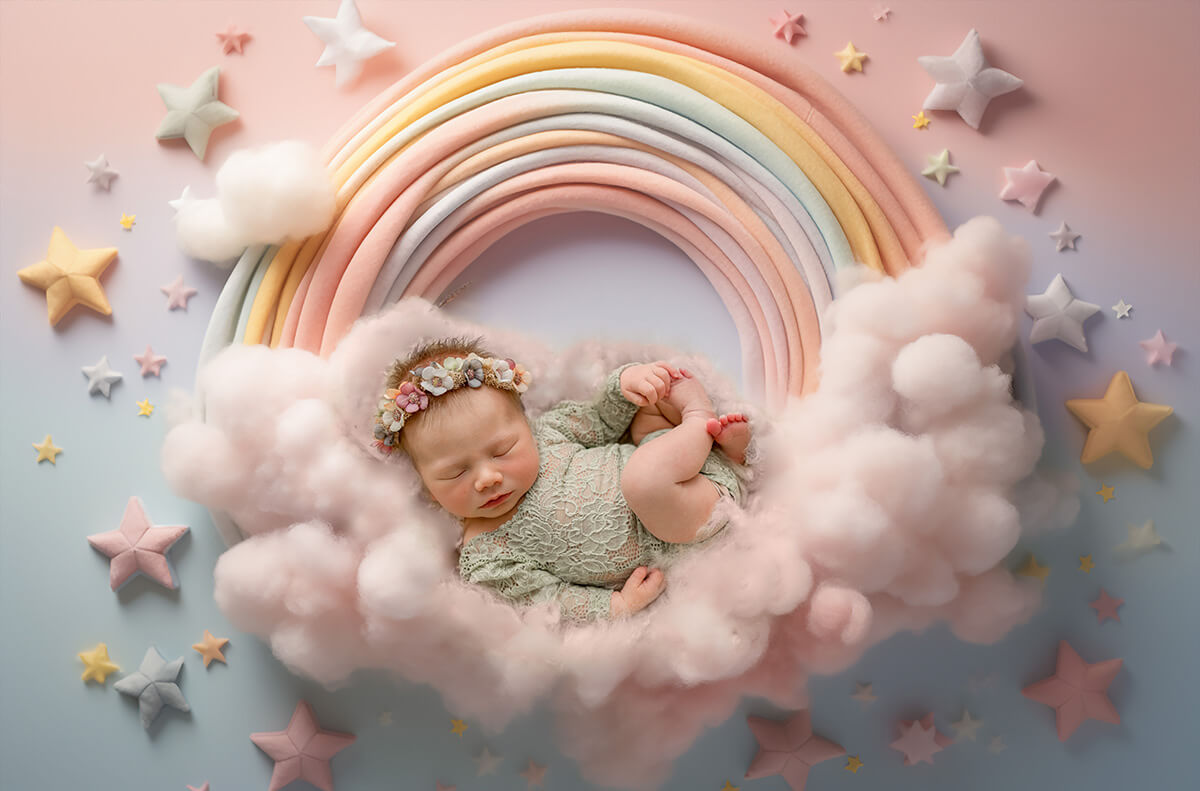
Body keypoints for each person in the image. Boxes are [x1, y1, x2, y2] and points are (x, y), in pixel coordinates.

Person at [374, 334, 754, 623]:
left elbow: (603, 418)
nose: (488, 478)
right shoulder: (486, 556)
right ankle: (700, 420)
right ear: (429, 489)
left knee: (650, 404)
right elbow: (546, 600)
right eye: (456, 472)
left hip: (673, 462)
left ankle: (718, 451)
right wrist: (615, 605)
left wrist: (625, 384)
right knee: (643, 482)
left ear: (526, 425)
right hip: (689, 520)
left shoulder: (549, 432)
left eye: (503, 450)